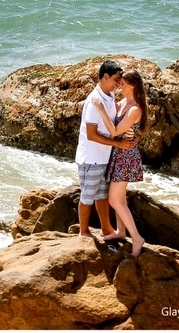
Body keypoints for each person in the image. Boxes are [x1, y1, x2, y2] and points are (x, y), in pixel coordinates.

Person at [75, 60, 137, 240]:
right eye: (117, 79)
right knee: (87, 196)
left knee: (102, 195)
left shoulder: (109, 97)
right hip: (90, 157)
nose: (119, 83)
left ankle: (106, 228)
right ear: (106, 76)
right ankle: (84, 231)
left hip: (104, 157)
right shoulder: (94, 101)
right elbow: (91, 135)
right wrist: (118, 144)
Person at [90, 68, 148, 256]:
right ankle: (120, 232)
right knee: (120, 198)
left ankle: (137, 238)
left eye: (122, 83)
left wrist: (100, 109)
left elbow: (115, 131)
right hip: (118, 153)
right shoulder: (123, 102)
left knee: (114, 199)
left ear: (132, 85)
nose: (119, 85)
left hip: (126, 156)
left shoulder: (134, 109)